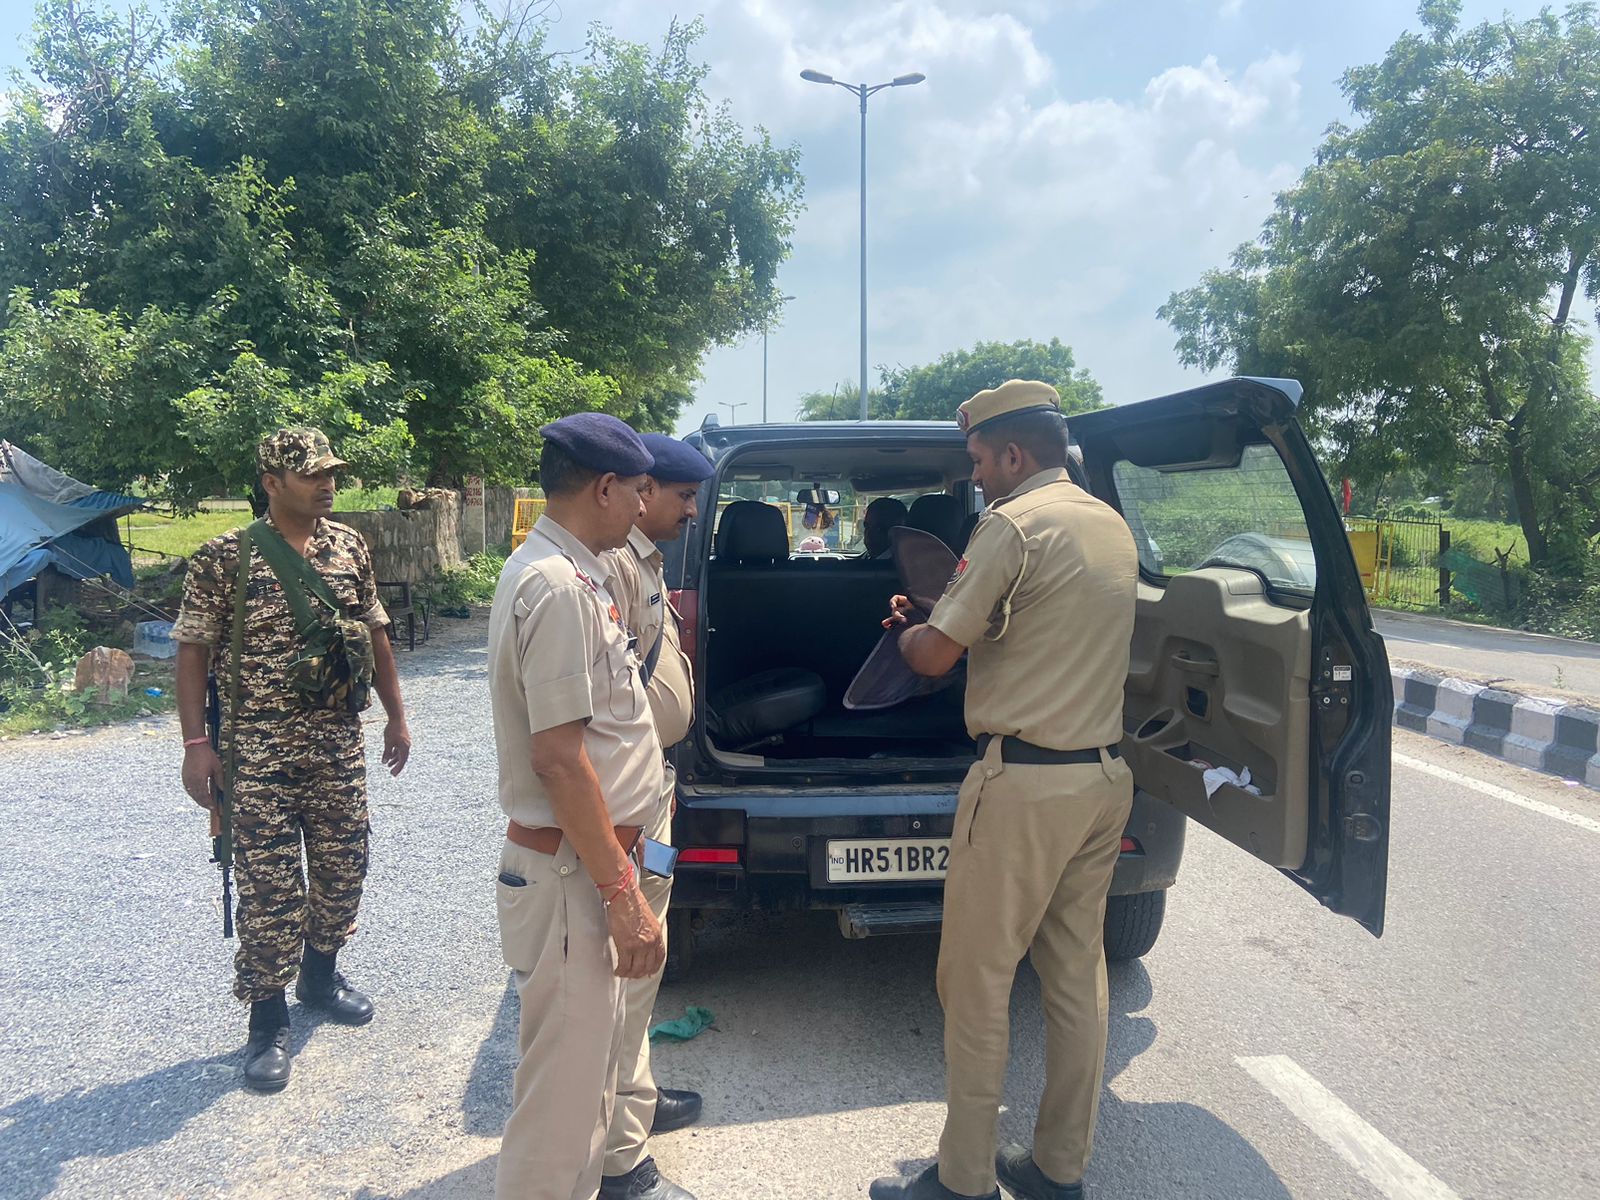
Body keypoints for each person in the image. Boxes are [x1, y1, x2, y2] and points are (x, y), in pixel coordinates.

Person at [871, 380, 1139, 1200]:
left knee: (977, 981)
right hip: (1101, 779)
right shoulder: (1111, 525)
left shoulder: (1011, 525)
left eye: (981, 459)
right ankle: (1060, 1168)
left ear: (1014, 453)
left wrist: (912, 627)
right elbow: (1037, 625)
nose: (977, 475)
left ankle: (963, 1182)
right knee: (1076, 976)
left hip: (1022, 786)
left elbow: (933, 658)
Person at [173, 427, 412, 1093]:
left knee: (344, 869)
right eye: (311, 474)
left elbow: (374, 631)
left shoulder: (350, 547)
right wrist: (197, 747)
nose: (326, 483)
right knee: (270, 889)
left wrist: (396, 715)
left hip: (337, 745)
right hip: (257, 755)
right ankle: (267, 1018)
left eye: (330, 471)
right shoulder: (225, 557)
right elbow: (192, 651)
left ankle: (318, 974)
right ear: (272, 483)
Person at [486, 413, 675, 1200]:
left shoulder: (579, 571)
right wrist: (623, 895)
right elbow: (559, 763)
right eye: (636, 490)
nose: (643, 506)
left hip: (592, 868)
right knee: (560, 1116)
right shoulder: (556, 587)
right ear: (603, 488)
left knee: (589, 1090)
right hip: (575, 878)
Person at [598, 431, 715, 1200]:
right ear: (642, 491)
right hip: (622, 807)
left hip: (651, 791)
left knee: (646, 972)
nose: (690, 510)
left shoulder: (642, 559)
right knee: (620, 979)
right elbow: (600, 703)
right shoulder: (607, 564)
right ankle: (614, 1157)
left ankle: (633, 1109)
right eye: (682, 496)